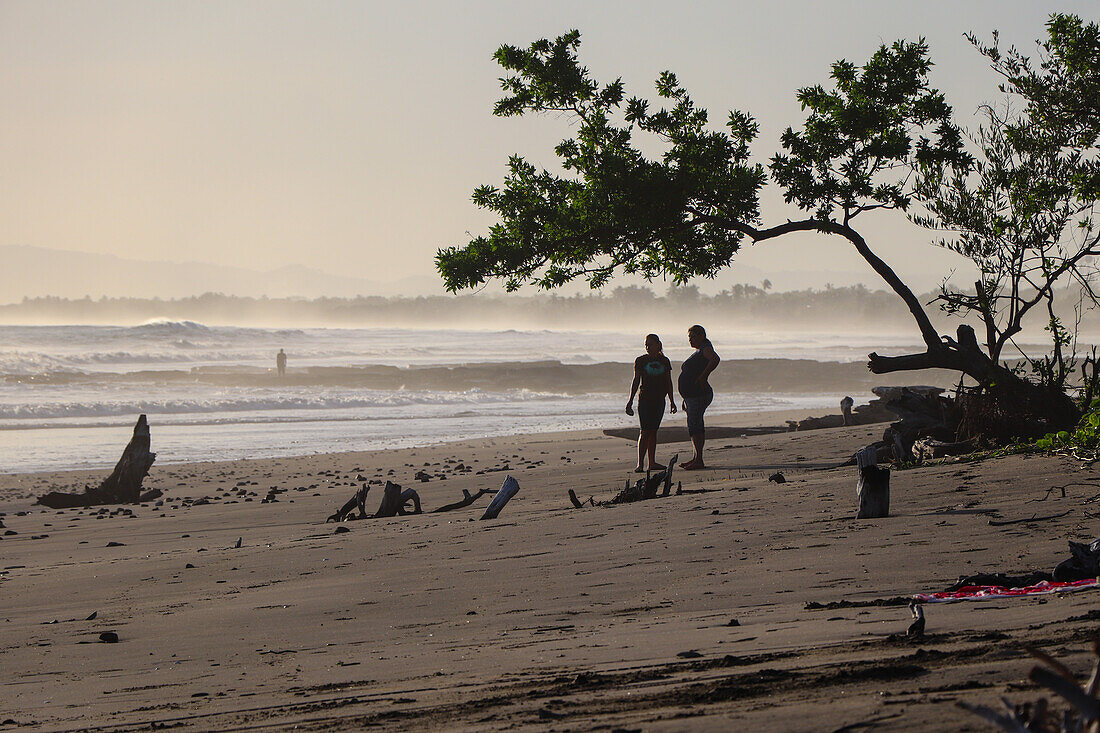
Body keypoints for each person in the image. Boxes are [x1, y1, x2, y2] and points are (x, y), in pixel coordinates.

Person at [626, 334, 676, 473]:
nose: (648, 347)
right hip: (645, 400)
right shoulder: (641, 360)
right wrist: (630, 401)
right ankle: (640, 463)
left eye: (650, 344)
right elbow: (636, 381)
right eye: (646, 344)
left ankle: (652, 462)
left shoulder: (664, 361)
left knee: (654, 431)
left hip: (660, 399)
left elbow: (668, 382)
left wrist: (672, 400)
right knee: (645, 430)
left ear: (658, 345)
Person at [679, 325, 720, 470]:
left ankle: (699, 459)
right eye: (689, 337)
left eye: (692, 336)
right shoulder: (701, 349)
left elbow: (715, 359)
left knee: (695, 426)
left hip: (698, 394)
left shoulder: (705, 348)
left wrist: (703, 377)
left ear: (701, 335)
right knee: (695, 425)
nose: (690, 340)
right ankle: (696, 458)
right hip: (692, 396)